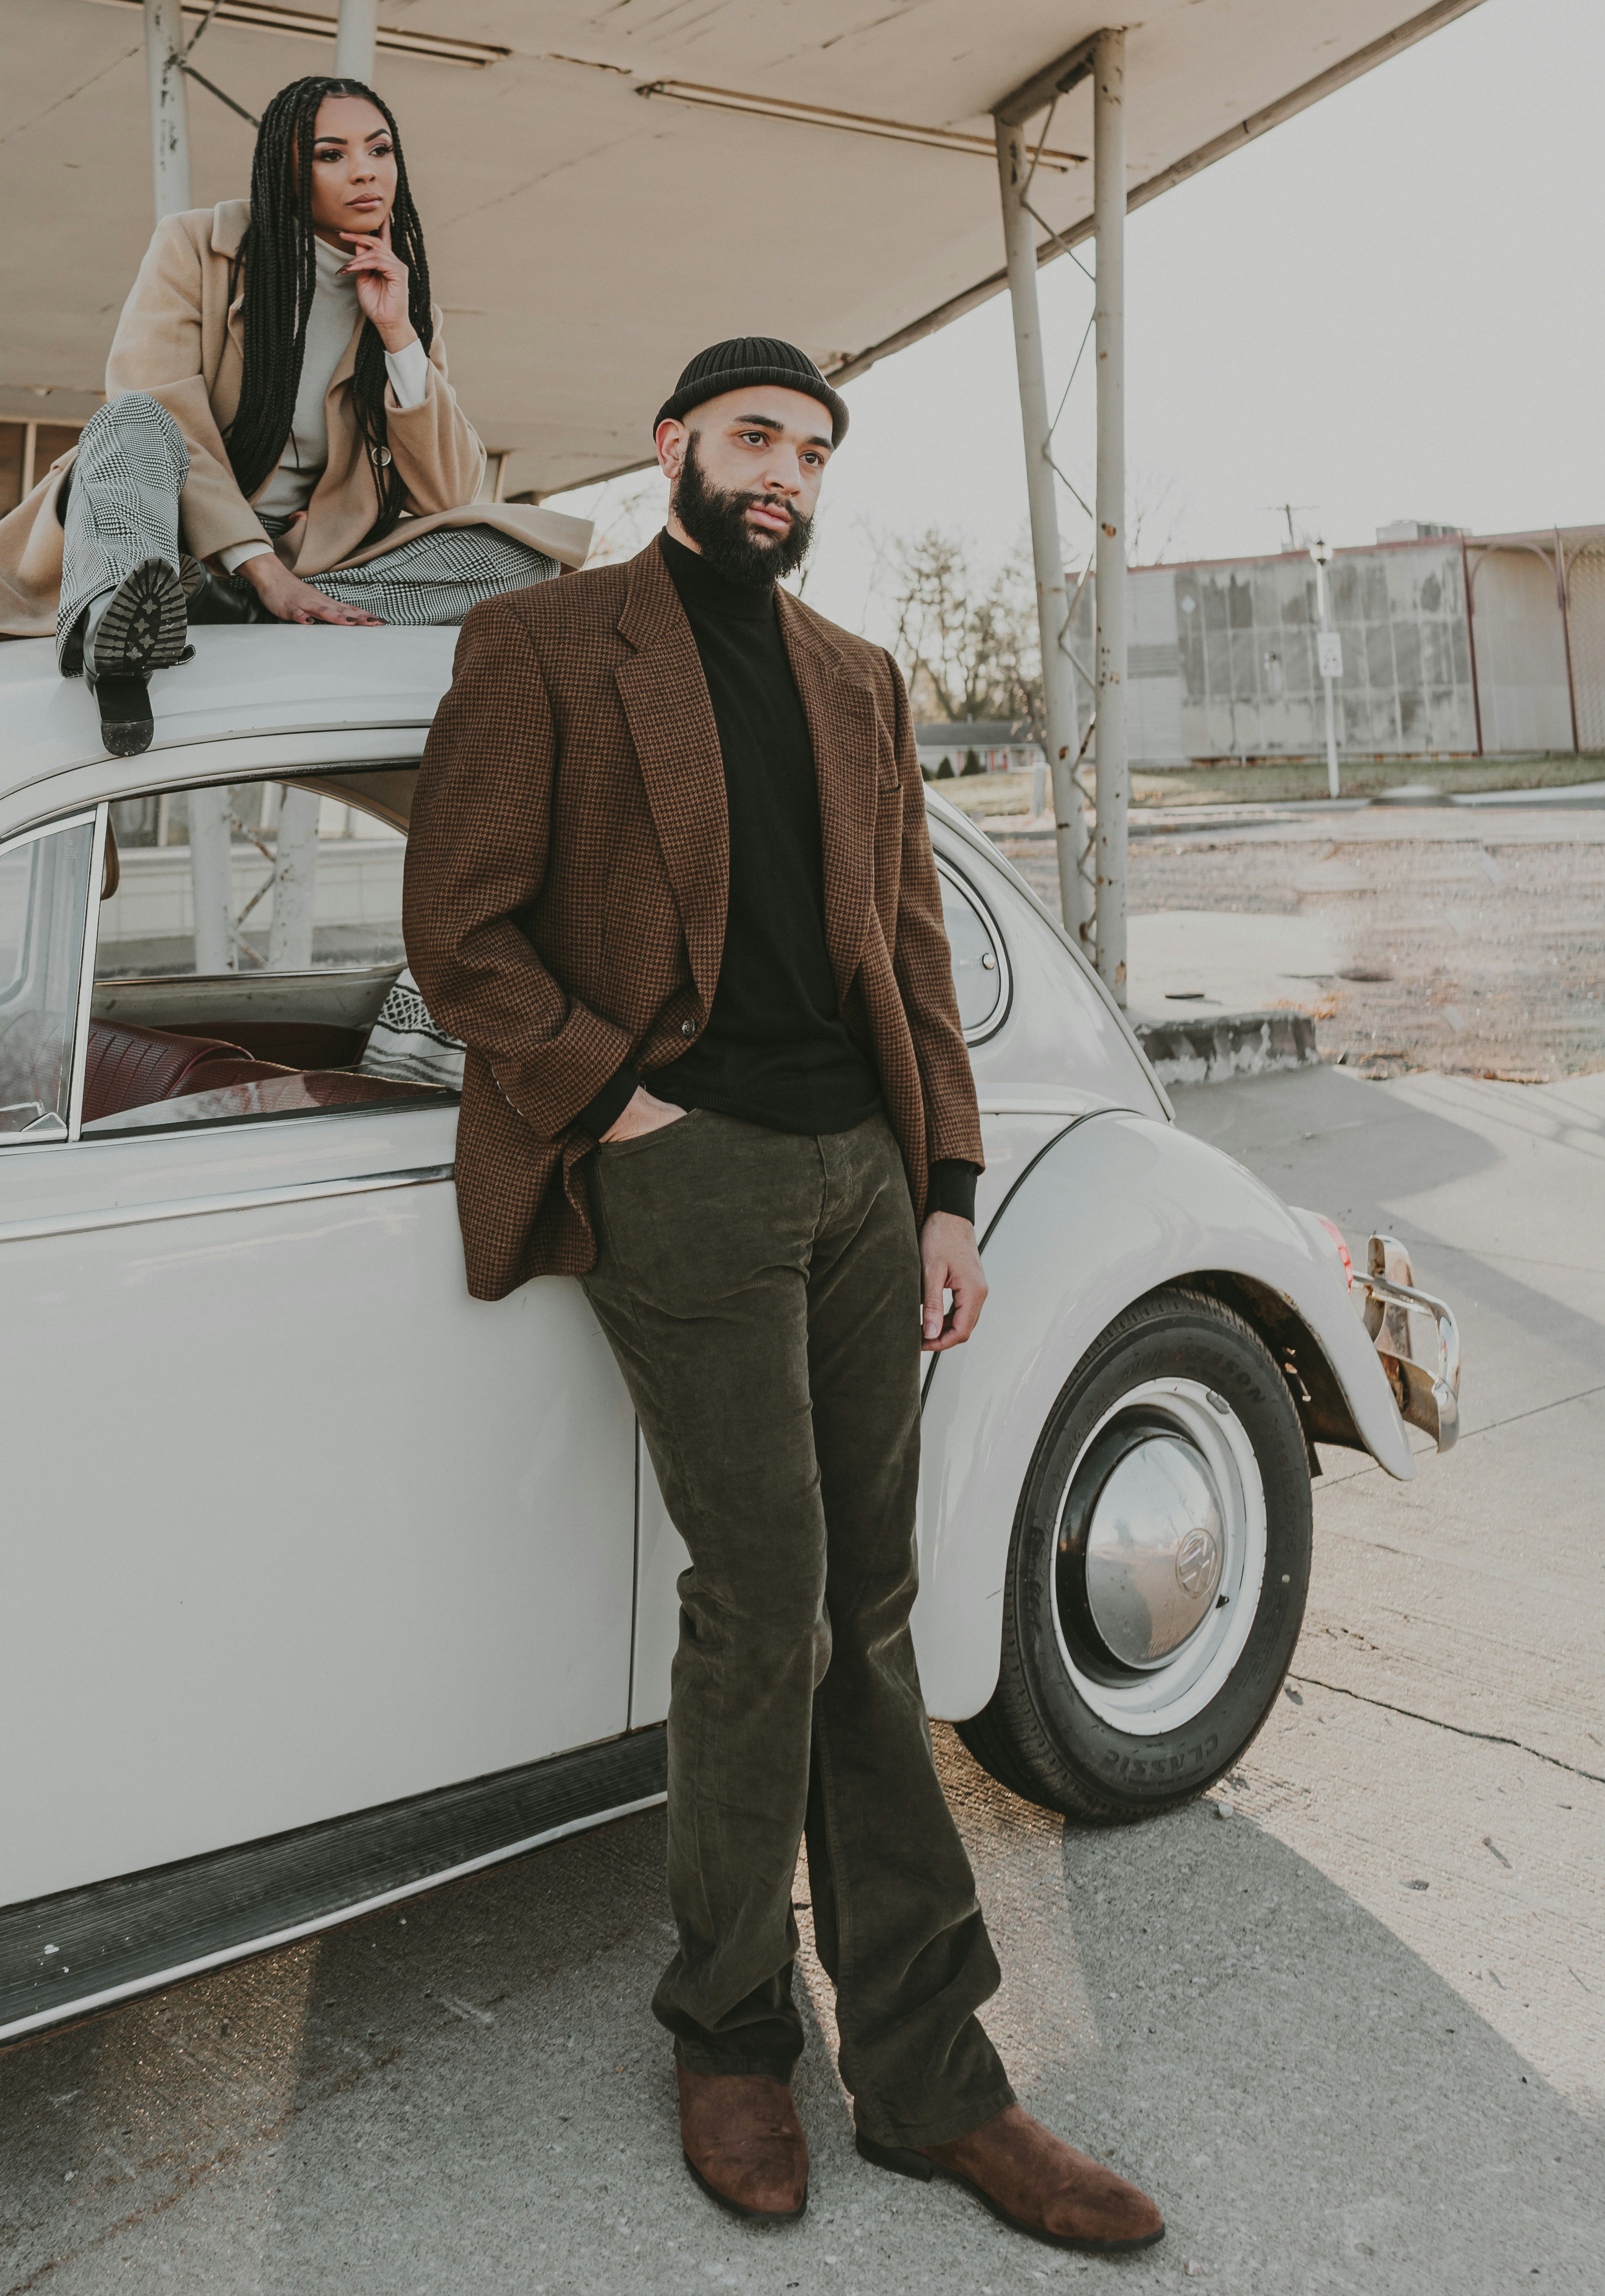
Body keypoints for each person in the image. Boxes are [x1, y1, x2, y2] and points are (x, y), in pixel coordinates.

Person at [402, 337, 1163, 2254]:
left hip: (854, 1185)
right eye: (753, 437)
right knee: (768, 1606)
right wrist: (614, 1100)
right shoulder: (549, 646)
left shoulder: (857, 678)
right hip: (681, 1177)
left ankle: (929, 2074)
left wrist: (949, 1189)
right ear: (670, 441)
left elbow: (905, 941)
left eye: (810, 451)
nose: (781, 474)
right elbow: (455, 928)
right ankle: (728, 2025)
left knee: (876, 1610)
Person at [0, 76, 587, 752]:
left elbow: (446, 493)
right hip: (168, 532)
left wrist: (400, 336)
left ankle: (227, 611)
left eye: (380, 149)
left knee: (525, 553)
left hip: (309, 567)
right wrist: (263, 572)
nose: (365, 170)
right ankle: (118, 631)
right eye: (330, 154)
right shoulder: (195, 245)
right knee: (129, 424)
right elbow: (156, 406)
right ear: (287, 168)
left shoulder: (402, 294)